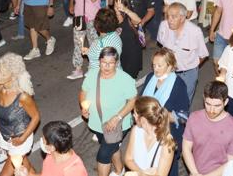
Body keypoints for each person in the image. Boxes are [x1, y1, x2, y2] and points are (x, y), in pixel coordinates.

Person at [80, 47, 137, 176]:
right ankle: (119, 170)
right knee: (113, 147)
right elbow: (83, 91)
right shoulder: (93, 74)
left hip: (117, 125)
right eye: (104, 62)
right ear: (99, 61)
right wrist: (84, 106)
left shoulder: (125, 79)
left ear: (116, 63)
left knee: (103, 155)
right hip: (97, 122)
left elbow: (132, 100)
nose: (106, 66)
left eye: (111, 63)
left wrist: (117, 117)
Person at [140, 48, 190, 176]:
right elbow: (141, 101)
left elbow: (184, 116)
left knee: (168, 168)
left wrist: (165, 115)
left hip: (167, 135)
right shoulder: (150, 77)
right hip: (146, 132)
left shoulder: (179, 85)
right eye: (154, 65)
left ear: (170, 66)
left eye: (159, 65)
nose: (155, 69)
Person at [0, 53, 40, 176]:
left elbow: (36, 117)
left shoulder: (22, 97)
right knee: (24, 164)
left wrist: (22, 138)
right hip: (5, 134)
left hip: (20, 138)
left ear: (13, 76)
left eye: (3, 73)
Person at [182, 81, 233, 176]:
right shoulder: (194, 117)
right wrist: (194, 173)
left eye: (217, 106)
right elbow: (186, 148)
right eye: (208, 104)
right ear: (204, 98)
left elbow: (230, 164)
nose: (211, 110)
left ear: (226, 102)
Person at [157, 2, 209, 102]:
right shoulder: (163, 26)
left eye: (173, 17)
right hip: (168, 72)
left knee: (184, 102)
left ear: (182, 18)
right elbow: (161, 43)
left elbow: (203, 54)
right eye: (168, 16)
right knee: (165, 98)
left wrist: (192, 66)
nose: (169, 20)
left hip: (187, 75)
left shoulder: (195, 32)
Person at [116, 0, 156, 78]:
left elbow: (151, 11)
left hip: (136, 26)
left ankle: (133, 72)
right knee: (122, 47)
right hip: (122, 24)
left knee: (135, 49)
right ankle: (122, 68)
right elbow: (112, 2)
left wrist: (142, 22)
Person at [124, 96, 176, 176]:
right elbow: (128, 159)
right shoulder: (136, 130)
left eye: (134, 113)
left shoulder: (167, 142)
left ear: (143, 119)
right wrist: (141, 173)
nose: (133, 116)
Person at [68, 0, 102, 79]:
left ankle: (94, 67)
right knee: (78, 43)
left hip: (92, 17)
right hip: (79, 16)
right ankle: (78, 69)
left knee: (93, 43)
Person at [22, 121, 87, 176]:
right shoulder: (52, 154)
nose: (41, 141)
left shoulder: (74, 171)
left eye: (44, 140)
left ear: (52, 147)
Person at [84, 8, 122, 73]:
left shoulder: (100, 43)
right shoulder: (116, 35)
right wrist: (89, 51)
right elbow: (102, 54)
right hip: (117, 71)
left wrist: (90, 52)